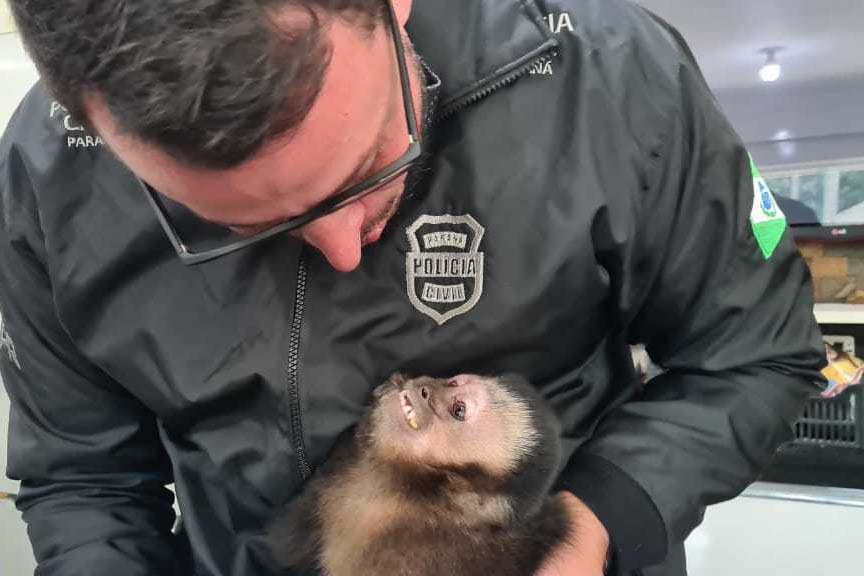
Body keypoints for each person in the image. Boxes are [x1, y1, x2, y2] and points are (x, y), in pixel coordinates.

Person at [0, 1, 826, 575]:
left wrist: (591, 528)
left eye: (368, 168)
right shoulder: (50, 174)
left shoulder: (607, 77)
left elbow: (757, 355)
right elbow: (85, 480)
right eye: (236, 227)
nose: (341, 249)